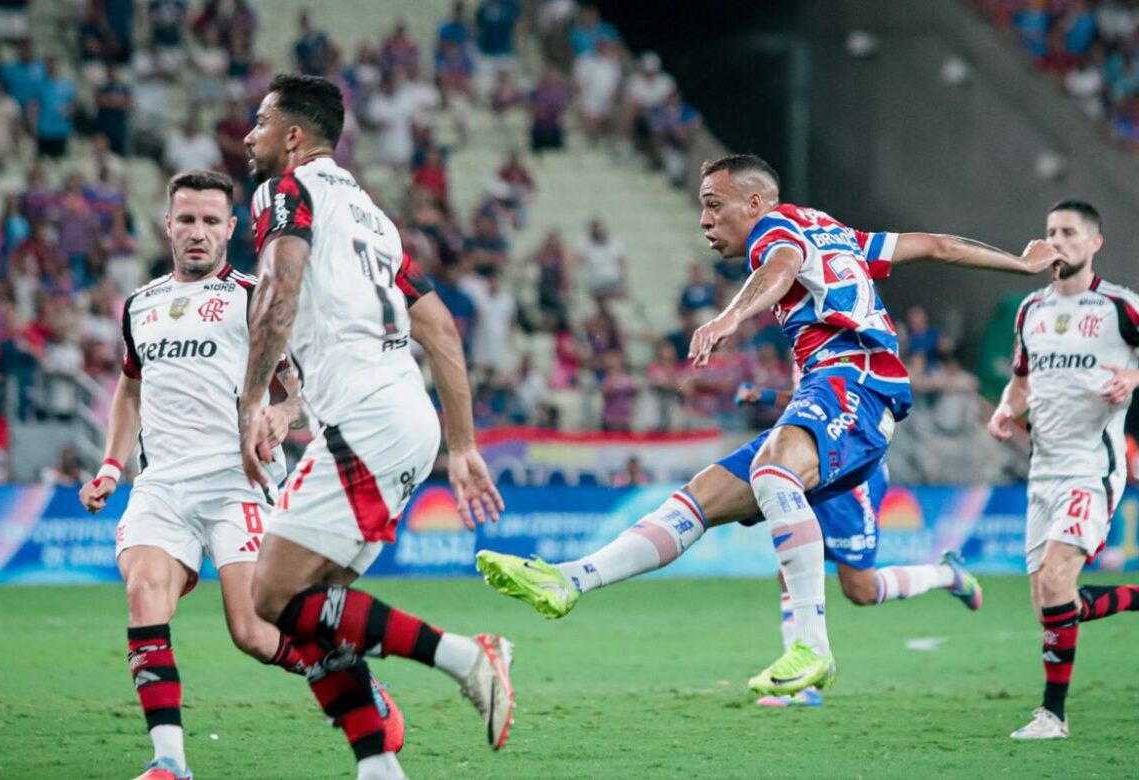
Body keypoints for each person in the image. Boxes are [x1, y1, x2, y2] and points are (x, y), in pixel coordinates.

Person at [476, 152, 1060, 697]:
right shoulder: (836, 233)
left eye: (713, 203)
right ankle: (570, 581)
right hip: (829, 390)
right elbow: (935, 244)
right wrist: (1019, 262)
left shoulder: (773, 232)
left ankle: (811, 646)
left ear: (753, 204)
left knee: (777, 478)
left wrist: (728, 317)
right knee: (699, 498)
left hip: (855, 381)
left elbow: (780, 267)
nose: (705, 219)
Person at [78, 170, 403, 780]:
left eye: (209, 221)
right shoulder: (140, 305)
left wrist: (282, 413)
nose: (196, 232)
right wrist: (111, 467)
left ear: (230, 229)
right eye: (186, 220)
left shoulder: (258, 298)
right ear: (167, 225)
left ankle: (348, 677)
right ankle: (169, 763)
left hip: (239, 482)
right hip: (163, 485)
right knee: (143, 592)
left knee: (253, 633)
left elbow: (306, 385)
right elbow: (129, 390)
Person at [239, 74, 512, 780]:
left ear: (294, 137)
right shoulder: (372, 219)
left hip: (364, 416)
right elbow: (441, 327)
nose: (250, 135)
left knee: (270, 597)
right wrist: (460, 443)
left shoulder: (286, 193)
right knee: (313, 609)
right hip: (402, 416)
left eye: (261, 122)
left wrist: (251, 401)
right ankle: (377, 768)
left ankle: (465, 655)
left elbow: (278, 289)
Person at [988, 200, 1139, 740]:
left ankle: (1053, 714)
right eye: (1051, 231)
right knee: (1053, 604)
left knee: (1055, 581)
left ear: (1095, 243)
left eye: (1070, 233)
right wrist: (1008, 408)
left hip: (1091, 466)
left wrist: (1133, 377)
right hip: (1042, 472)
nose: (1058, 240)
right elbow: (1021, 381)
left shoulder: (1121, 307)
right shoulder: (1030, 310)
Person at [732, 383, 982, 707]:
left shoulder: (843, 340)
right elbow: (804, 396)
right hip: (815, 463)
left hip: (850, 470)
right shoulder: (804, 343)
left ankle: (946, 575)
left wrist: (766, 396)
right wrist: (764, 397)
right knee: (789, 569)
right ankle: (804, 684)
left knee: (861, 589)